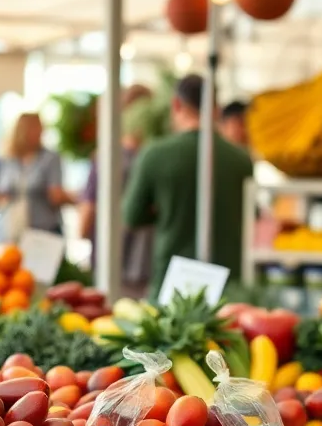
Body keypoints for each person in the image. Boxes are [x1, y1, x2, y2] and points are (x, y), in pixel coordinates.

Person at [122, 74, 254, 301]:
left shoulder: (155, 155)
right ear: (215, 108)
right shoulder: (241, 160)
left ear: (176, 105)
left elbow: (131, 216)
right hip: (229, 288)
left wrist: (162, 208)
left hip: (173, 284)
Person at [80, 85, 153, 290]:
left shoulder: (105, 156)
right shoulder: (155, 157)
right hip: (146, 260)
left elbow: (88, 209)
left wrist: (84, 232)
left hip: (109, 255)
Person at [0, 112, 76, 241]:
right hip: (12, 231)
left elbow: (55, 195)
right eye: (36, 128)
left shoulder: (50, 158)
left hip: (44, 232)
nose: (40, 132)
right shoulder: (5, 160)